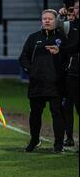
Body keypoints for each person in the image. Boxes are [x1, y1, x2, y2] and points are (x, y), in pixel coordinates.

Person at [19, 9, 67, 153]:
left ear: (55, 21)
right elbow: (23, 57)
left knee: (57, 113)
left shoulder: (62, 38)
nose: (46, 21)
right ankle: (34, 140)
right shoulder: (33, 38)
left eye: (50, 19)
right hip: (37, 83)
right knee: (35, 113)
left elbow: (68, 57)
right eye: (44, 18)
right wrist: (30, 70)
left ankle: (58, 144)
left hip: (56, 83)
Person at [59, 0, 79, 149]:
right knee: (68, 106)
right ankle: (69, 137)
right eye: (77, 7)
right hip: (72, 72)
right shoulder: (69, 25)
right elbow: (55, 27)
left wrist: (63, 50)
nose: (78, 10)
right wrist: (60, 17)